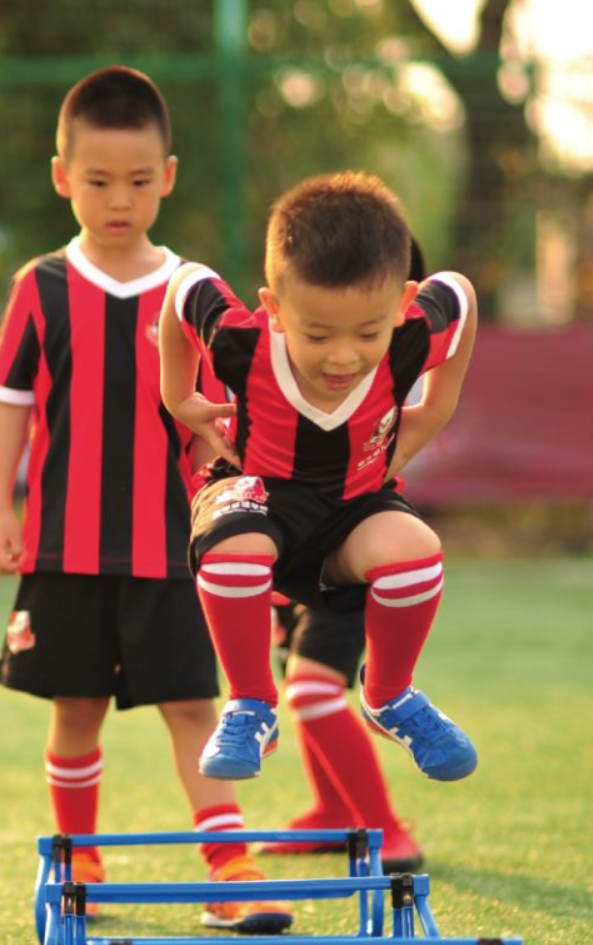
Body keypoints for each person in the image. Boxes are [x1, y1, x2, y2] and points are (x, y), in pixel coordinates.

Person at [0, 66, 291, 935]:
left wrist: (233, 489)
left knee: (196, 707)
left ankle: (229, 866)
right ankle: (78, 861)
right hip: (66, 551)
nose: (119, 199)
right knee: (75, 710)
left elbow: (222, 417)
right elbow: (8, 403)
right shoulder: (39, 285)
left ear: (170, 176)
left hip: (172, 548)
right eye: (98, 180)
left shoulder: (192, 289)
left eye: (140, 181)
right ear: (61, 177)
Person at [159, 171, 479, 786]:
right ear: (275, 308)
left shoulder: (413, 334)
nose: (343, 356)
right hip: (258, 493)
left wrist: (427, 418)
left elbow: (459, 295)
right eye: (317, 333)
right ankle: (252, 701)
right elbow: (183, 286)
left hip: (355, 503)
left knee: (418, 553)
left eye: (367, 332)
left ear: (402, 305)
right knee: (234, 549)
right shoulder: (238, 342)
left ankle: (389, 697)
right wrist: (179, 395)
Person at [256, 236, 433, 873]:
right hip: (288, 558)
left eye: (367, 327)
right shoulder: (277, 367)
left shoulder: (384, 375)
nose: (344, 351)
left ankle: (384, 826)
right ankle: (335, 811)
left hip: (350, 560)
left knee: (311, 690)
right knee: (297, 682)